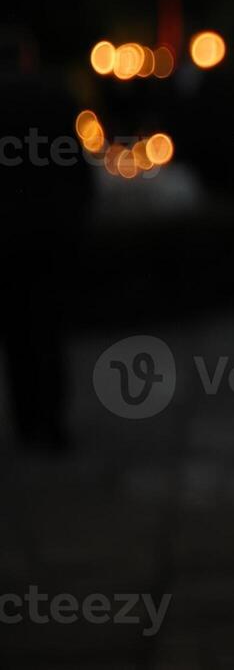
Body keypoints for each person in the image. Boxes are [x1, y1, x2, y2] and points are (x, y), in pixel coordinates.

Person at [0, 28, 93, 450]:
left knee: (17, 335)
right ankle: (51, 422)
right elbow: (77, 168)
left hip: (8, 236)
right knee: (48, 330)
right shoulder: (55, 97)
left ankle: (25, 420)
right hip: (49, 235)